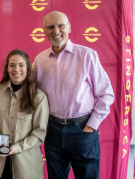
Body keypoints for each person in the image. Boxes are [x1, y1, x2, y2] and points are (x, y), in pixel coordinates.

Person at [34, 11, 115, 179]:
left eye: (61, 25)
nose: (56, 31)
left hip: (82, 129)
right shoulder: (40, 60)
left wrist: (91, 126)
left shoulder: (87, 55)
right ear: (44, 31)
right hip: (53, 131)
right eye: (50, 27)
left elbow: (106, 94)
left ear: (69, 27)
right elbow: (33, 95)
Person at [0, 49, 49, 179]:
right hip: (0, 163)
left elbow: (39, 134)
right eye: (12, 65)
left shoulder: (38, 97)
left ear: (27, 68)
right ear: (7, 68)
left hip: (27, 166)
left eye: (21, 65)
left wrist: (15, 148)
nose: (16, 69)